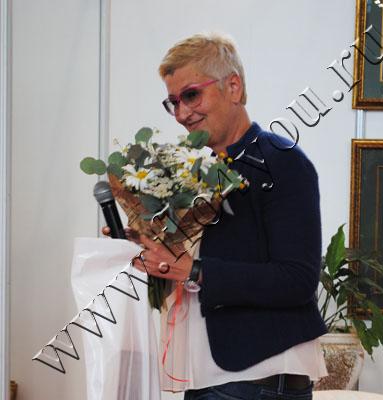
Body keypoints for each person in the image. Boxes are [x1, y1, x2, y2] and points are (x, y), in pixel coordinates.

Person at [106, 33, 327, 400]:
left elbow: (297, 280)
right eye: (173, 102)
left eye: (191, 95)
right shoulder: (201, 173)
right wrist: (151, 243)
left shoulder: (282, 160)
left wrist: (194, 270)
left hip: (257, 381)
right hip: (212, 379)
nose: (181, 114)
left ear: (233, 87)